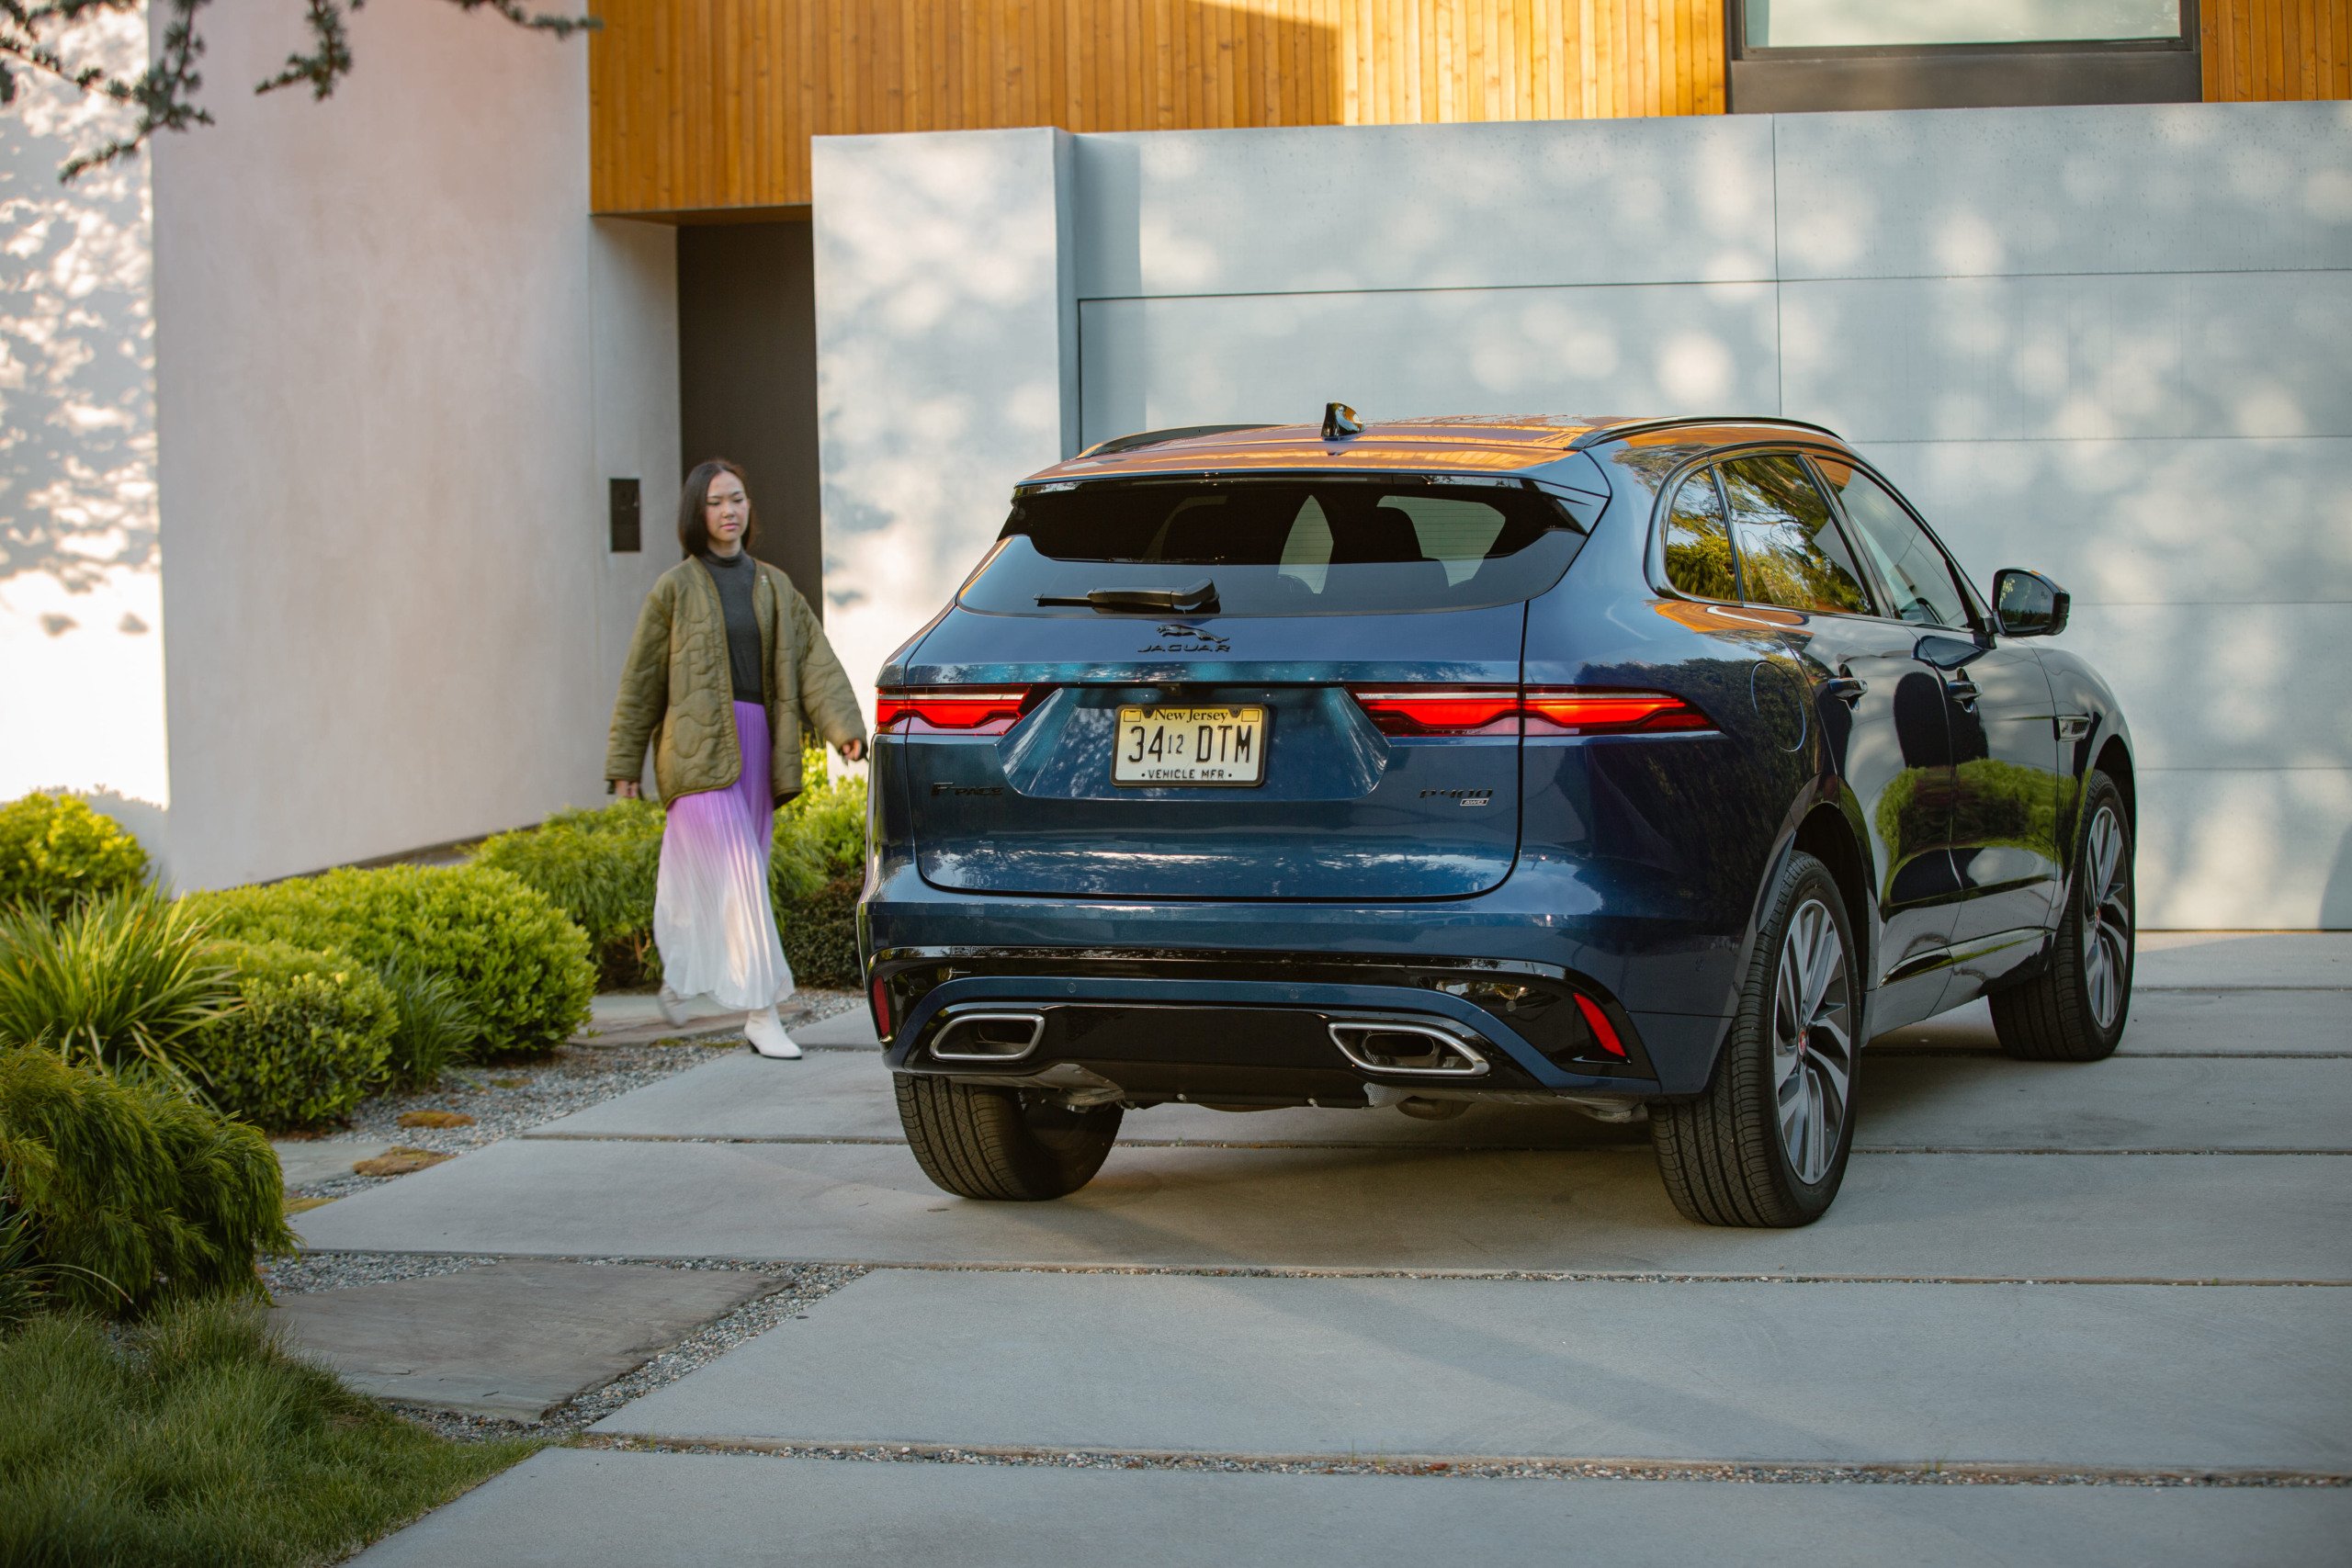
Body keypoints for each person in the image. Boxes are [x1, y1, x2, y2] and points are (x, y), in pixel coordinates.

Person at [605, 460, 866, 1059]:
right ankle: (761, 1011)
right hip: (696, 753)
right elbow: (641, 679)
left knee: (717, 875)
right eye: (718, 501)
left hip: (757, 747)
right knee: (741, 875)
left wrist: (843, 729)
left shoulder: (774, 585)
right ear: (698, 514)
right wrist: (625, 764)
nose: (730, 510)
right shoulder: (675, 587)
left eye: (739, 499)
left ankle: (678, 976)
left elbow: (812, 662)